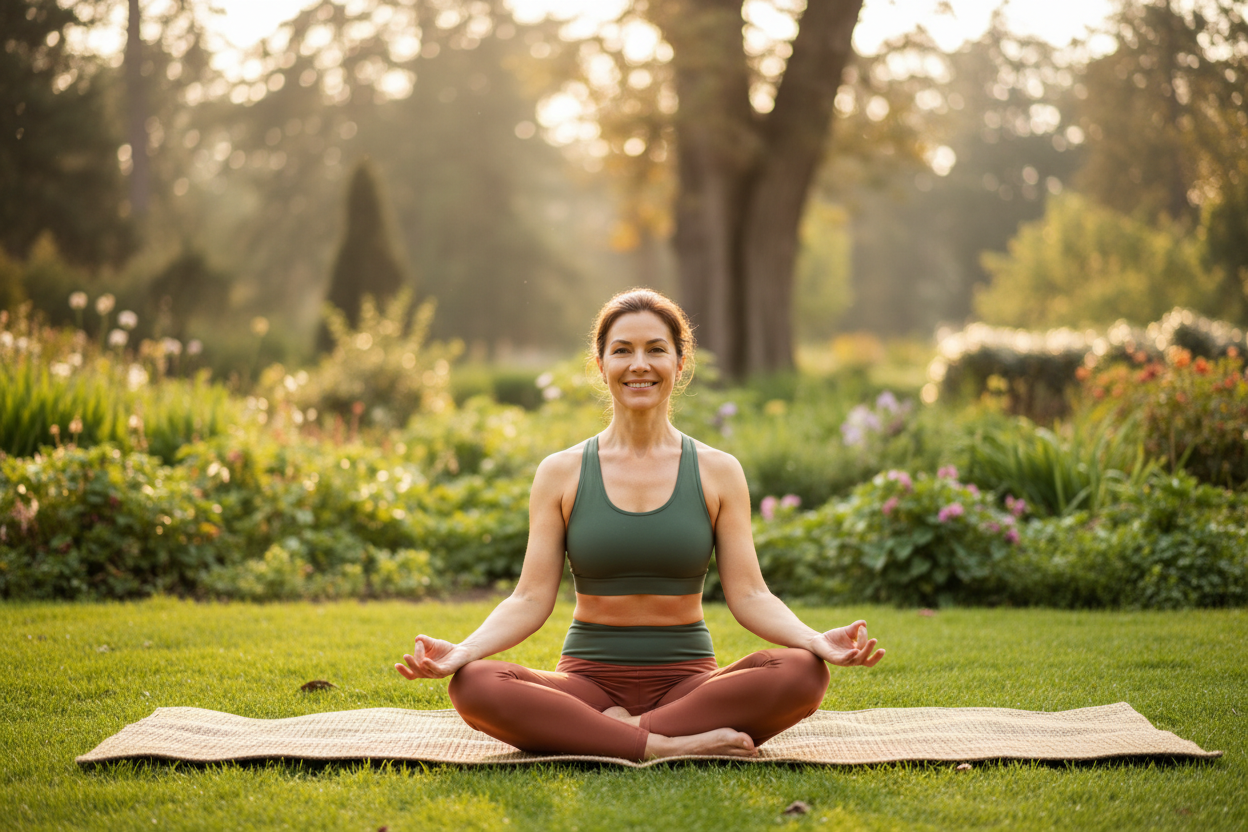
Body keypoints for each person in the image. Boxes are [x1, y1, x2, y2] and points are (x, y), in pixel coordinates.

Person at [395, 289, 884, 760]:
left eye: (656, 350)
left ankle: (615, 736)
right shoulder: (561, 472)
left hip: (689, 685)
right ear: (601, 363)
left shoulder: (717, 471)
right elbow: (528, 598)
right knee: (475, 684)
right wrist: (463, 651)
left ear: (679, 363)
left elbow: (751, 595)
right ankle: (663, 744)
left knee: (802, 672)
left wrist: (813, 640)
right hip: (587, 684)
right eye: (622, 350)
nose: (639, 365)